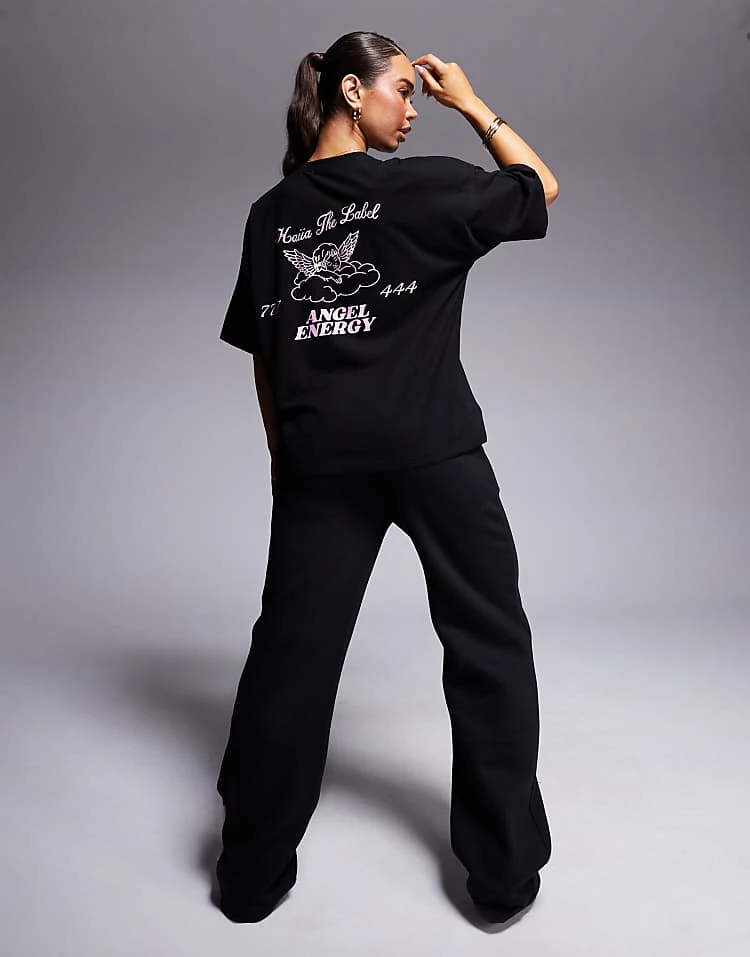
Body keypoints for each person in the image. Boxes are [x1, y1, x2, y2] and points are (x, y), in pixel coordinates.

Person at [216, 30, 559, 926]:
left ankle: (249, 873)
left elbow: (265, 357)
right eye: (401, 90)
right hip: (433, 448)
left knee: (290, 660)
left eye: (418, 93)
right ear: (348, 90)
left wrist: (287, 460)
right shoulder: (423, 187)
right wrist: (470, 103)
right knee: (488, 646)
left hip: (320, 461)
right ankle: (502, 876)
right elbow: (540, 186)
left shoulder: (270, 215)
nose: (411, 109)